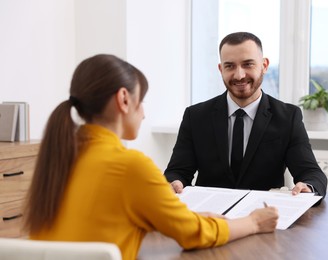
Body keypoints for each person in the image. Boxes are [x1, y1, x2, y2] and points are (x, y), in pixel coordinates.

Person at [23, 54, 278, 260]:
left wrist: (193, 217)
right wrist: (254, 222)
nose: (143, 113)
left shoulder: (58, 156)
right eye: (141, 101)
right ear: (124, 99)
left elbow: (110, 215)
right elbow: (193, 235)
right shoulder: (130, 166)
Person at [165, 32, 328, 198]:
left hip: (262, 216)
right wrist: (174, 182)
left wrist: (308, 186)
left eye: (248, 64)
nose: (239, 75)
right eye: (230, 66)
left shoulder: (288, 117)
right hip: (211, 217)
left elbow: (312, 174)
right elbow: (177, 172)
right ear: (221, 69)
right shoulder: (195, 116)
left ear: (264, 65)